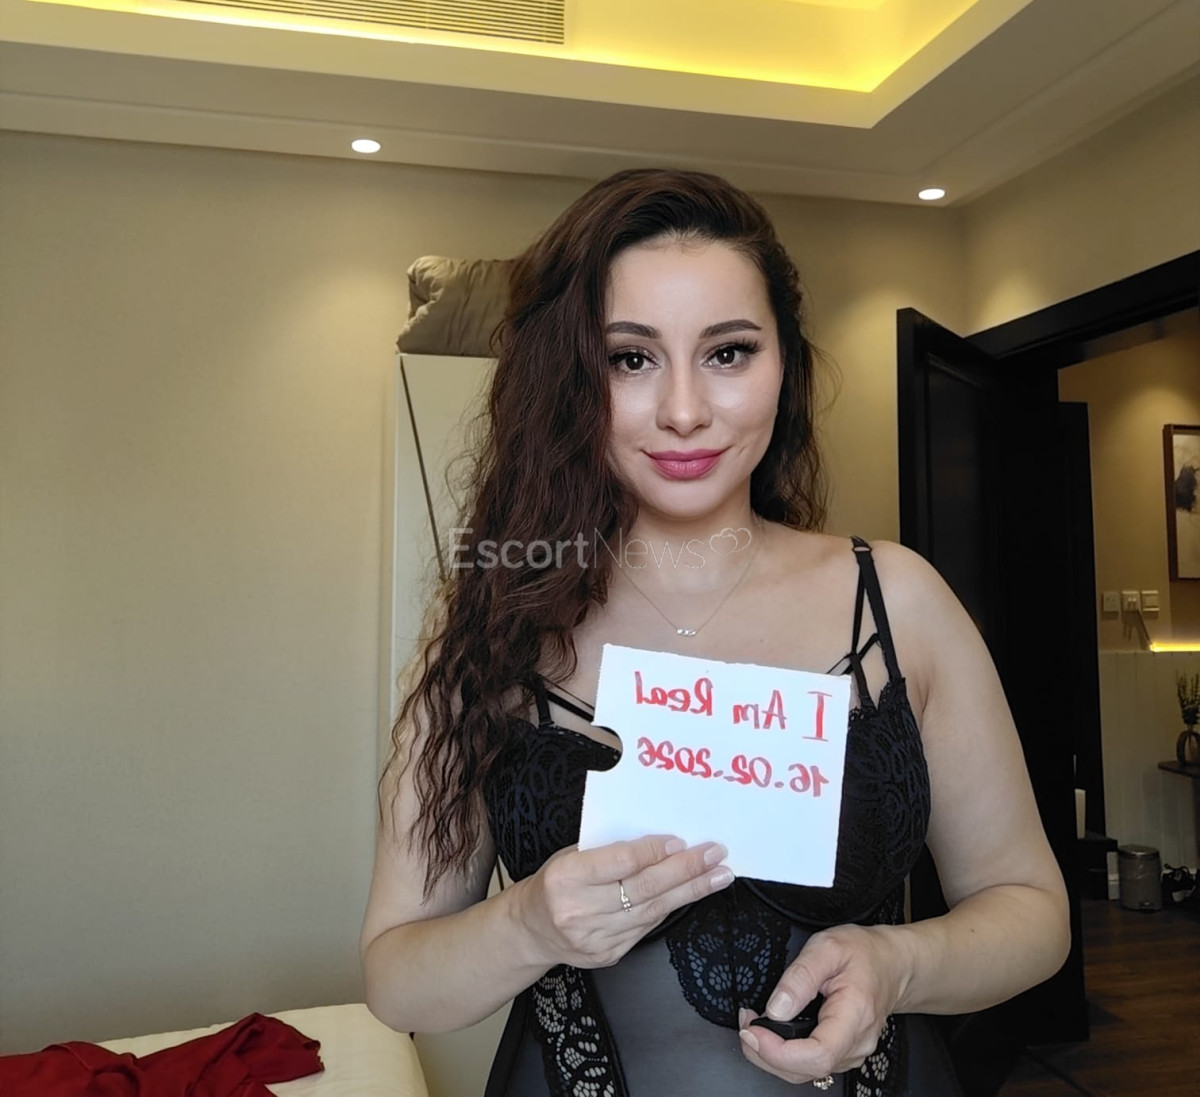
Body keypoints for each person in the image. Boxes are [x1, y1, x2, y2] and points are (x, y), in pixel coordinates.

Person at [359, 168, 1070, 1096]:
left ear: (785, 364)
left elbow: (1033, 911)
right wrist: (525, 924)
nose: (685, 410)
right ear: (569, 379)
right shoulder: (496, 630)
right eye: (631, 358)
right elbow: (396, 979)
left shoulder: (897, 603)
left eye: (729, 352)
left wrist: (900, 964)